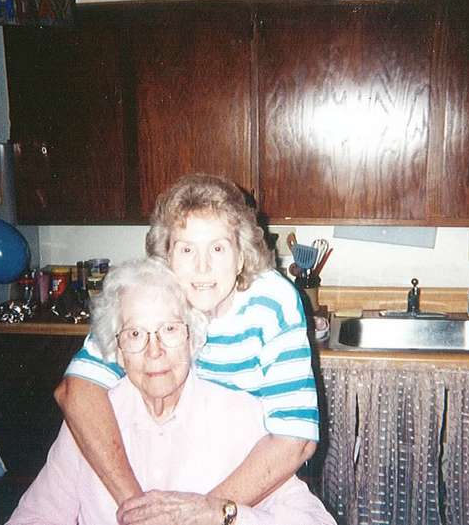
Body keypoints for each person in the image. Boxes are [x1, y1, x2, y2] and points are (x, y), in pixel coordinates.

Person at [55, 174, 319, 524]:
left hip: (256, 470)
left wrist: (202, 513)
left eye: (218, 248)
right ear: (166, 258)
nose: (202, 267)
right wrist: (141, 510)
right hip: (178, 455)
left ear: (241, 256)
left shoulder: (273, 302)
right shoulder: (155, 296)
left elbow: (296, 439)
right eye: (187, 249)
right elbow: (76, 389)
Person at [8, 259, 335, 525]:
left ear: (193, 338)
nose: (155, 351)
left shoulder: (239, 418)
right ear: (117, 350)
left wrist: (222, 514)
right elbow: (35, 517)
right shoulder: (91, 422)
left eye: (169, 329)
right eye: (135, 334)